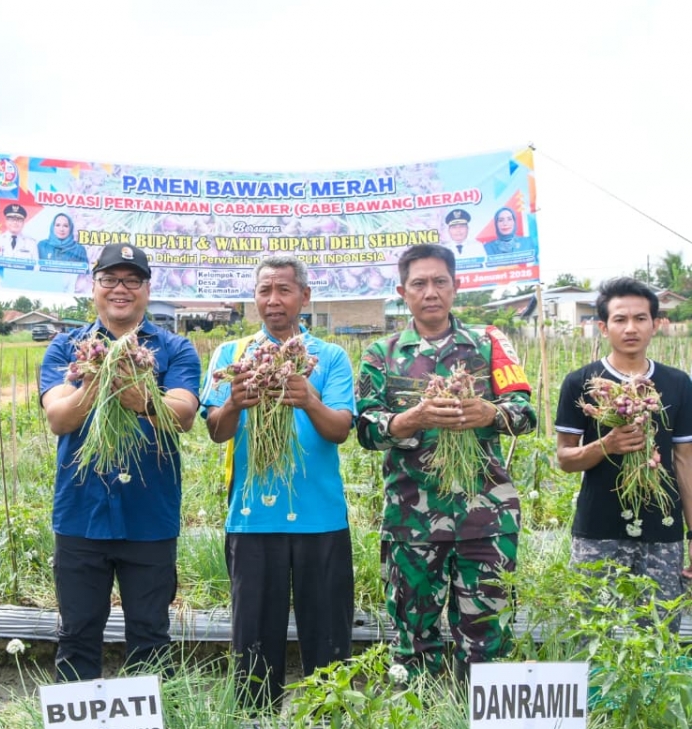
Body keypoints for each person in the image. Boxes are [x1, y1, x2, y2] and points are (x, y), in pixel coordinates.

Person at [355, 244, 537, 679]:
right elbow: (365, 429)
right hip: (412, 520)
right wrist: (410, 419)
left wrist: (490, 413)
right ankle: (422, 710)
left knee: (487, 641)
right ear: (403, 292)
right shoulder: (382, 353)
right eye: (419, 284)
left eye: (440, 282)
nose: (430, 292)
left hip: (486, 518)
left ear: (455, 287)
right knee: (413, 640)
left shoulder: (488, 343)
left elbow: (526, 413)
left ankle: (476, 710)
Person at [39, 243, 201, 681]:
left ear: (147, 289)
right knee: (76, 634)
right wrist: (98, 378)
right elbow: (58, 417)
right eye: (109, 279)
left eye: (132, 280)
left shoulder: (174, 348)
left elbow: (183, 414)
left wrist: (139, 395)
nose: (120, 289)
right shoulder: (67, 348)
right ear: (93, 287)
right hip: (80, 513)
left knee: (150, 635)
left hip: (148, 515)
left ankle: (154, 714)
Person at [201, 255, 355, 713]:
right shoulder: (233, 355)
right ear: (254, 297)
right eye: (264, 290)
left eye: (284, 290)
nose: (273, 300)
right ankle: (255, 719)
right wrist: (233, 403)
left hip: (320, 519)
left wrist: (309, 400)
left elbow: (340, 429)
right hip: (252, 519)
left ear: (304, 296)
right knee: (252, 643)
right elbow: (216, 430)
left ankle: (327, 719)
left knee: (327, 640)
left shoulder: (329, 357)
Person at [555, 278, 692, 607]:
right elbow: (565, 459)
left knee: (659, 626)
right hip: (597, 529)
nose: (631, 328)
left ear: (655, 324)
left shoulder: (678, 383)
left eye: (640, 318)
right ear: (603, 327)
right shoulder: (581, 383)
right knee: (591, 625)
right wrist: (607, 445)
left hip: (663, 530)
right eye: (620, 319)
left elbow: (685, 461)